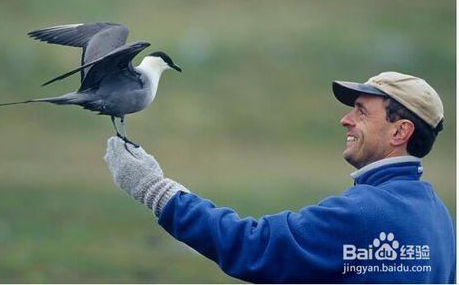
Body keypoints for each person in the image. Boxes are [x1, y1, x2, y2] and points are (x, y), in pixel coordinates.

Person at [104, 71, 455, 283]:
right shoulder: (439, 218)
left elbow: (254, 246)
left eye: (362, 111)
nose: (345, 120)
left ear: (400, 132)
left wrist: (155, 189)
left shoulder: (364, 214)